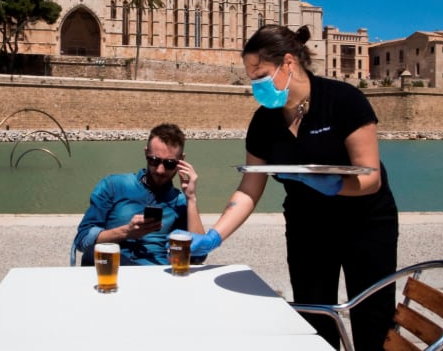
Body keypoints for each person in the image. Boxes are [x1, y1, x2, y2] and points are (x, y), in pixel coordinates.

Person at [182, 25, 399, 350]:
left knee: (372, 318)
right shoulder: (263, 122)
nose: (256, 85)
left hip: (366, 224)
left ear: (288, 63)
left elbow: (371, 179)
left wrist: (334, 184)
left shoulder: (344, 100)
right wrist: (215, 236)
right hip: (306, 227)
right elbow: (248, 189)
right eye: (251, 77)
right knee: (315, 317)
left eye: (261, 75)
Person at [74, 123, 205, 265]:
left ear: (181, 161)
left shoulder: (179, 201)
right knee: (92, 255)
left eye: (169, 164)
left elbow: (199, 256)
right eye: (154, 160)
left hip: (156, 274)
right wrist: (125, 232)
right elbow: (82, 240)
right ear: (146, 153)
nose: (160, 170)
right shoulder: (113, 185)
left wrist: (191, 198)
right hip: (115, 268)